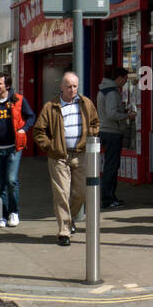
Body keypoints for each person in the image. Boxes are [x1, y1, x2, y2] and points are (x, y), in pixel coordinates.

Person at [32, 71, 101, 246]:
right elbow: (39, 131)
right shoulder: (51, 106)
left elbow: (95, 123)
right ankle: (64, 231)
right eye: (68, 86)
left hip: (81, 154)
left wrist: (89, 136)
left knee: (82, 193)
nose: (72, 89)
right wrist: (50, 147)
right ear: (61, 87)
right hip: (59, 157)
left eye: (75, 86)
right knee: (62, 193)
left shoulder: (86, 103)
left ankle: (69, 221)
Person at [0, 73, 35, 229]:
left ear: (7, 86)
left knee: (11, 180)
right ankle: (2, 216)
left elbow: (31, 116)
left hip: (13, 148)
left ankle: (14, 212)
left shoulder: (18, 100)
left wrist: (24, 129)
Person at [96, 67, 133, 209]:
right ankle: (108, 199)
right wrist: (126, 116)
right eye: (125, 79)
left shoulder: (104, 89)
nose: (125, 83)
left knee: (110, 166)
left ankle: (111, 197)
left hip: (105, 131)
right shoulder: (111, 92)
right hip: (112, 132)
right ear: (119, 78)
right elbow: (111, 114)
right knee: (111, 167)